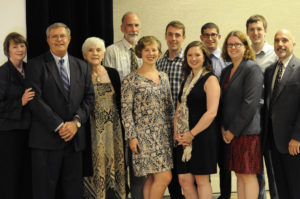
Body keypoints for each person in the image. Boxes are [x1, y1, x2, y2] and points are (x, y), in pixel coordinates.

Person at [26, 22, 94, 199]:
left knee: (74, 192)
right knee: (44, 192)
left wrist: (76, 123)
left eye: (62, 36)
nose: (59, 40)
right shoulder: (35, 65)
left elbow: (89, 98)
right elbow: (35, 99)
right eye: (54, 36)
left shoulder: (83, 66)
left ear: (69, 39)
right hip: (46, 141)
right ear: (48, 40)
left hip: (74, 141)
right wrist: (59, 126)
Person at [121, 36, 173, 199]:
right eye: (147, 50)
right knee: (165, 177)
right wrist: (131, 137)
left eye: (154, 50)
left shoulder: (163, 76)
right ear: (140, 52)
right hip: (144, 137)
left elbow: (169, 106)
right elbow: (126, 111)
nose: (151, 53)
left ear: (159, 52)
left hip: (164, 136)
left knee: (152, 178)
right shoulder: (131, 79)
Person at [104, 12, 145, 199]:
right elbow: (108, 85)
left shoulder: (146, 50)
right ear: (122, 28)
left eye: (136, 25)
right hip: (119, 115)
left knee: (139, 163)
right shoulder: (111, 51)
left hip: (142, 117)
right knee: (121, 162)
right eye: (129, 25)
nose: (133, 29)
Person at [220, 31, 263, 199]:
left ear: (245, 47)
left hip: (246, 132)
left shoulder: (252, 68)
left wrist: (233, 130)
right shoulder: (227, 71)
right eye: (230, 44)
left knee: (248, 175)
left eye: (237, 44)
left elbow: (250, 104)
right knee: (238, 174)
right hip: (229, 132)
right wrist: (224, 127)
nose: (233, 47)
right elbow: (224, 103)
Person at [174, 41, 220, 199]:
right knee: (184, 180)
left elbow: (212, 112)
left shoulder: (210, 79)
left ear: (204, 57)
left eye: (197, 55)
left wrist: (191, 134)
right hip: (183, 138)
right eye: (189, 55)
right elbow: (178, 109)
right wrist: (177, 134)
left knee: (201, 181)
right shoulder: (186, 80)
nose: (193, 58)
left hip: (202, 136)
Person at [81, 37, 126, 199]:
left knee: (116, 163)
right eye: (91, 50)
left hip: (113, 129)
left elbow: (120, 101)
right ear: (84, 54)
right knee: (94, 164)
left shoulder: (112, 73)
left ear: (104, 53)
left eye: (98, 50)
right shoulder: (81, 73)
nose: (95, 53)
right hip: (91, 129)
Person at [263, 29, 300, 199]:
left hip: (294, 143)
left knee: (296, 188)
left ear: (293, 43)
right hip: (274, 142)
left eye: (285, 40)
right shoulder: (270, 70)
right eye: (277, 41)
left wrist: (297, 137)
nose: (280, 44)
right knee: (281, 188)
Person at [246, 14, 278, 199]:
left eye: (259, 29)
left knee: (272, 166)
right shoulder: (244, 55)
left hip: (270, 119)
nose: (256, 33)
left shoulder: (275, 55)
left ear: (265, 31)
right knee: (256, 167)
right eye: (252, 29)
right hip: (251, 119)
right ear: (248, 32)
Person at [0, 32, 35, 199]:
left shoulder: (30, 69)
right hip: (10, 134)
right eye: (15, 46)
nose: (20, 49)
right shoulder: (2, 73)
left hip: (30, 132)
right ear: (8, 50)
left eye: (22, 45)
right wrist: (19, 103)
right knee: (11, 176)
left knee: (28, 175)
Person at [200, 22, 230, 199]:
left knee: (224, 163)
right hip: (203, 118)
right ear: (201, 38)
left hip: (222, 117)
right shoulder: (197, 59)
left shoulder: (227, 60)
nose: (210, 38)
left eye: (213, 34)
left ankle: (225, 196)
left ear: (219, 37)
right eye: (206, 35)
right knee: (206, 162)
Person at [156, 20, 185, 199]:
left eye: (177, 35)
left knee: (187, 170)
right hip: (164, 125)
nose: (173, 38)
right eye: (170, 34)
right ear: (166, 36)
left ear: (183, 37)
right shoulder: (158, 63)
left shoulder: (190, 60)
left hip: (184, 123)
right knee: (170, 169)